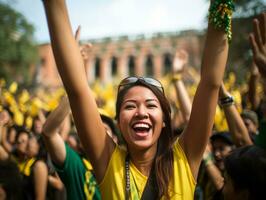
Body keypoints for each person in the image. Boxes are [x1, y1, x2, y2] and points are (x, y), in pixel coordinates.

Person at [42, 0, 230, 199]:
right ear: (118, 120)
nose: (141, 113)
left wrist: (222, 3)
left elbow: (210, 82)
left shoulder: (185, 158)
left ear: (165, 119)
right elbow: (77, 89)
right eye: (130, 106)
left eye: (150, 105)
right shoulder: (107, 162)